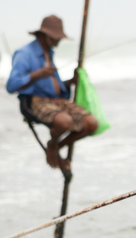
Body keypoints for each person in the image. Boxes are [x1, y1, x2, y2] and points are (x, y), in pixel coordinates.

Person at [6, 15, 98, 173]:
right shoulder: (24, 53)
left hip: (56, 100)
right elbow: (11, 86)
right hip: (34, 100)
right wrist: (37, 74)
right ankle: (54, 145)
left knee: (92, 124)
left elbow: (54, 85)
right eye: (55, 38)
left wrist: (70, 82)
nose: (58, 42)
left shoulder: (49, 52)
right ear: (44, 35)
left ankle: (54, 146)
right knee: (64, 122)